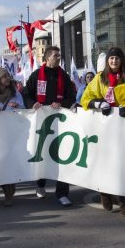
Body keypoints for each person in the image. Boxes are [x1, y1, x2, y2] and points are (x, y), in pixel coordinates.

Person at [80, 47, 125, 220]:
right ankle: (105, 191)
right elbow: (85, 98)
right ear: (107, 61)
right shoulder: (99, 79)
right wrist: (98, 104)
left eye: (117, 59)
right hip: (104, 129)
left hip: (123, 130)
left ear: (122, 61)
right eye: (111, 59)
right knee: (106, 164)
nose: (114, 62)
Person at [24, 46, 77, 207]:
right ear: (47, 58)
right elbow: (26, 93)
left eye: (59, 55)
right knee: (43, 153)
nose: (58, 57)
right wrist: (33, 103)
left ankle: (62, 193)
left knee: (62, 156)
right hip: (42, 123)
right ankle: (40, 184)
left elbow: (71, 95)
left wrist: (61, 103)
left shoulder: (64, 76)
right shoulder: (36, 76)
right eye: (55, 55)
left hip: (61, 123)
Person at [0, 66, 25, 207]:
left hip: (11, 133)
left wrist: (18, 107)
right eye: (4, 77)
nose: (7, 79)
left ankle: (9, 193)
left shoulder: (15, 93)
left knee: (9, 161)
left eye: (8, 76)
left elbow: (23, 109)